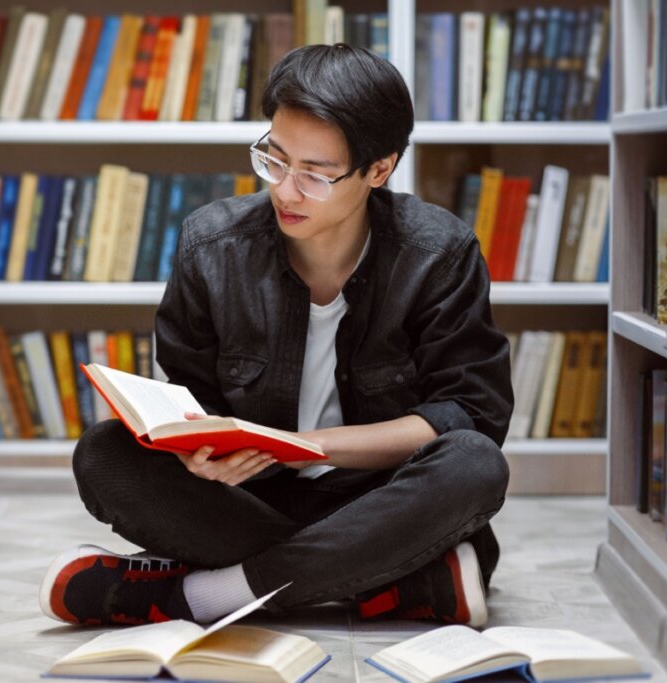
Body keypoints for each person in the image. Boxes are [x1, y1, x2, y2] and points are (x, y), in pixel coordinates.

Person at [40, 43, 513, 630]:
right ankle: (393, 577)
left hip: (382, 499)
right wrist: (202, 451)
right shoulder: (211, 246)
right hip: (254, 503)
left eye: (316, 174)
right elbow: (194, 400)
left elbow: (469, 413)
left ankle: (205, 595)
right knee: (104, 454)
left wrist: (310, 444)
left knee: (474, 465)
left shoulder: (438, 253)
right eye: (275, 158)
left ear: (379, 170)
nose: (286, 190)